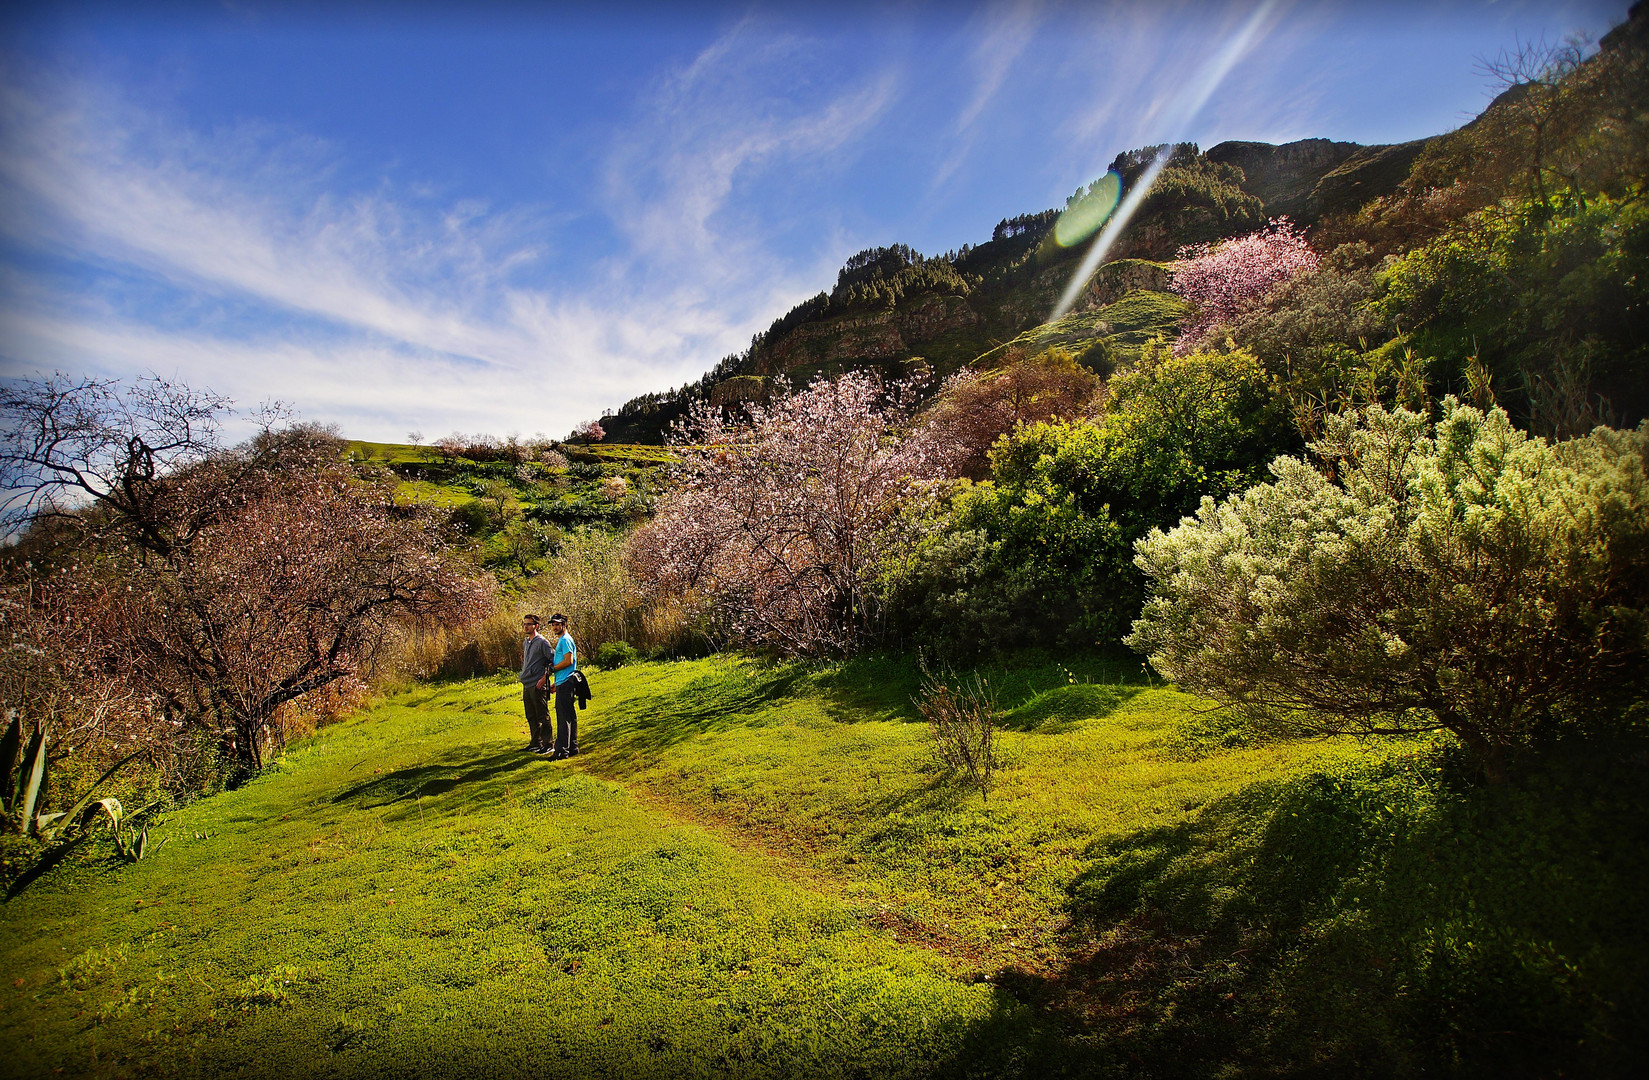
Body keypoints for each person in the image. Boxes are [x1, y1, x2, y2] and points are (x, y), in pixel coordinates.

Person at [518, 614, 555, 753]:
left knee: (542, 715)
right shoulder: (526, 642)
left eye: (529, 624)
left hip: (538, 684)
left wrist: (544, 677)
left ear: (536, 626)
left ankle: (548, 744)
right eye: (525, 624)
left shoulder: (542, 642)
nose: (526, 626)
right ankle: (535, 743)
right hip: (527, 683)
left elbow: (554, 660)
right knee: (531, 715)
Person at [545, 612, 579, 759]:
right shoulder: (564, 639)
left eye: (558, 624)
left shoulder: (565, 640)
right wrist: (555, 683)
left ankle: (561, 751)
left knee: (563, 717)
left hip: (566, 682)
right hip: (564, 681)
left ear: (564, 625)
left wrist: (553, 669)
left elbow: (568, 661)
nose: (555, 627)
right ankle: (572, 747)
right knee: (570, 715)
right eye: (553, 624)